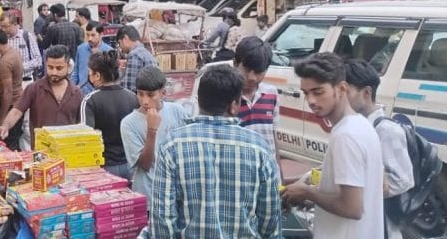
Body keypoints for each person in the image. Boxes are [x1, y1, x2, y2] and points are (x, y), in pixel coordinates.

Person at [144, 64, 281, 238]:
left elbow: (162, 220)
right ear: (234, 105)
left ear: (199, 100)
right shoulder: (259, 148)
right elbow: (270, 221)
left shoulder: (172, 145)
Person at [281, 53, 384, 239]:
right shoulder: (361, 125)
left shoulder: (346, 136)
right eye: (306, 93)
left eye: (318, 92)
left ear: (341, 88)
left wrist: (307, 192)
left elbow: (352, 208)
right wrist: (309, 187)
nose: (311, 101)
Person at [345, 58, 413, 239]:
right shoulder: (355, 125)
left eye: (347, 92)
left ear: (366, 92)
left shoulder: (386, 131)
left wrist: (355, 190)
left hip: (383, 228)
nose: (341, 99)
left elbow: (403, 180)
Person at [0, 45, 84, 147]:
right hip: (41, 153)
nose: (54, 72)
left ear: (68, 66)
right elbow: (17, 111)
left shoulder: (77, 93)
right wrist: (5, 126)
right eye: (50, 67)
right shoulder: (34, 89)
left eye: (59, 68)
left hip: (68, 151)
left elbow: (82, 124)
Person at [120, 66, 188, 200]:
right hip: (149, 194)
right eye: (140, 94)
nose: (145, 101)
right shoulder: (128, 123)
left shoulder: (177, 111)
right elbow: (145, 165)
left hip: (176, 193)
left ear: (163, 93)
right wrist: (151, 131)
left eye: (151, 95)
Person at [81, 50, 137, 179]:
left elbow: (87, 138)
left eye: (90, 73)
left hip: (104, 167)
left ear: (97, 75)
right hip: (131, 165)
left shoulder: (90, 101)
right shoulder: (132, 97)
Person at [233, 36, 282, 178]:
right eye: (247, 70)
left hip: (269, 175)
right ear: (235, 63)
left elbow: (272, 137)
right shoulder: (227, 96)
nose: (252, 77)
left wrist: (280, 175)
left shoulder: (271, 94)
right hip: (240, 175)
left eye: (259, 72)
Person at [0, 28, 24, 150]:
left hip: (12, 104)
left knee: (9, 142)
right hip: (17, 101)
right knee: (14, 139)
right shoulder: (13, 52)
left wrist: (2, 118)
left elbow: (8, 91)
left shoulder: (5, 61)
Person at [0, 12, 42, 82]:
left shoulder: (26, 36)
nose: (3, 30)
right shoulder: (0, 39)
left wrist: (19, 67)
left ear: (15, 24)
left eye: (5, 26)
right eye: (1, 27)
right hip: (5, 81)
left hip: (25, 80)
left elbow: (38, 60)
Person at [72, 22, 113, 94]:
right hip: (82, 93)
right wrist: (72, 88)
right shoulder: (81, 49)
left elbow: (112, 76)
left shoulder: (109, 51)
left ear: (101, 35)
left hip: (102, 93)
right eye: (88, 35)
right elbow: (76, 71)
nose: (90, 38)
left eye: (93, 35)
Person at [116, 25, 158, 94]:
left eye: (119, 43)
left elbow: (129, 88)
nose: (120, 48)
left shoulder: (134, 55)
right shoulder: (145, 52)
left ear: (125, 38)